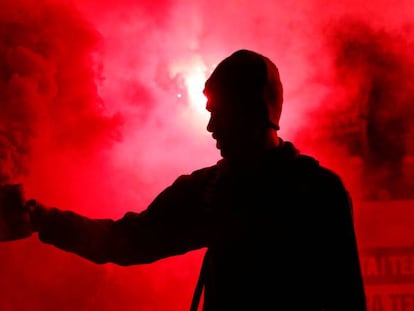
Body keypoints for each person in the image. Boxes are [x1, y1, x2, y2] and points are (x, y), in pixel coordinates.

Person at [16, 49, 367, 310]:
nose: (211, 128)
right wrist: (42, 219)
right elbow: (124, 241)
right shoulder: (217, 190)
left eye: (220, 114)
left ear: (251, 112)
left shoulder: (313, 192)